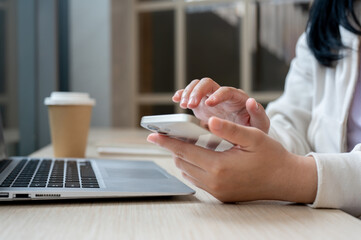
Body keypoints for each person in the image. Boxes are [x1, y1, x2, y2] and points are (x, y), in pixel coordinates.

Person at [147, 0, 361, 217]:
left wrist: (288, 177)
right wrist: (251, 131)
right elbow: (295, 124)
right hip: (330, 222)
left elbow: (292, 169)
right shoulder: (328, 22)